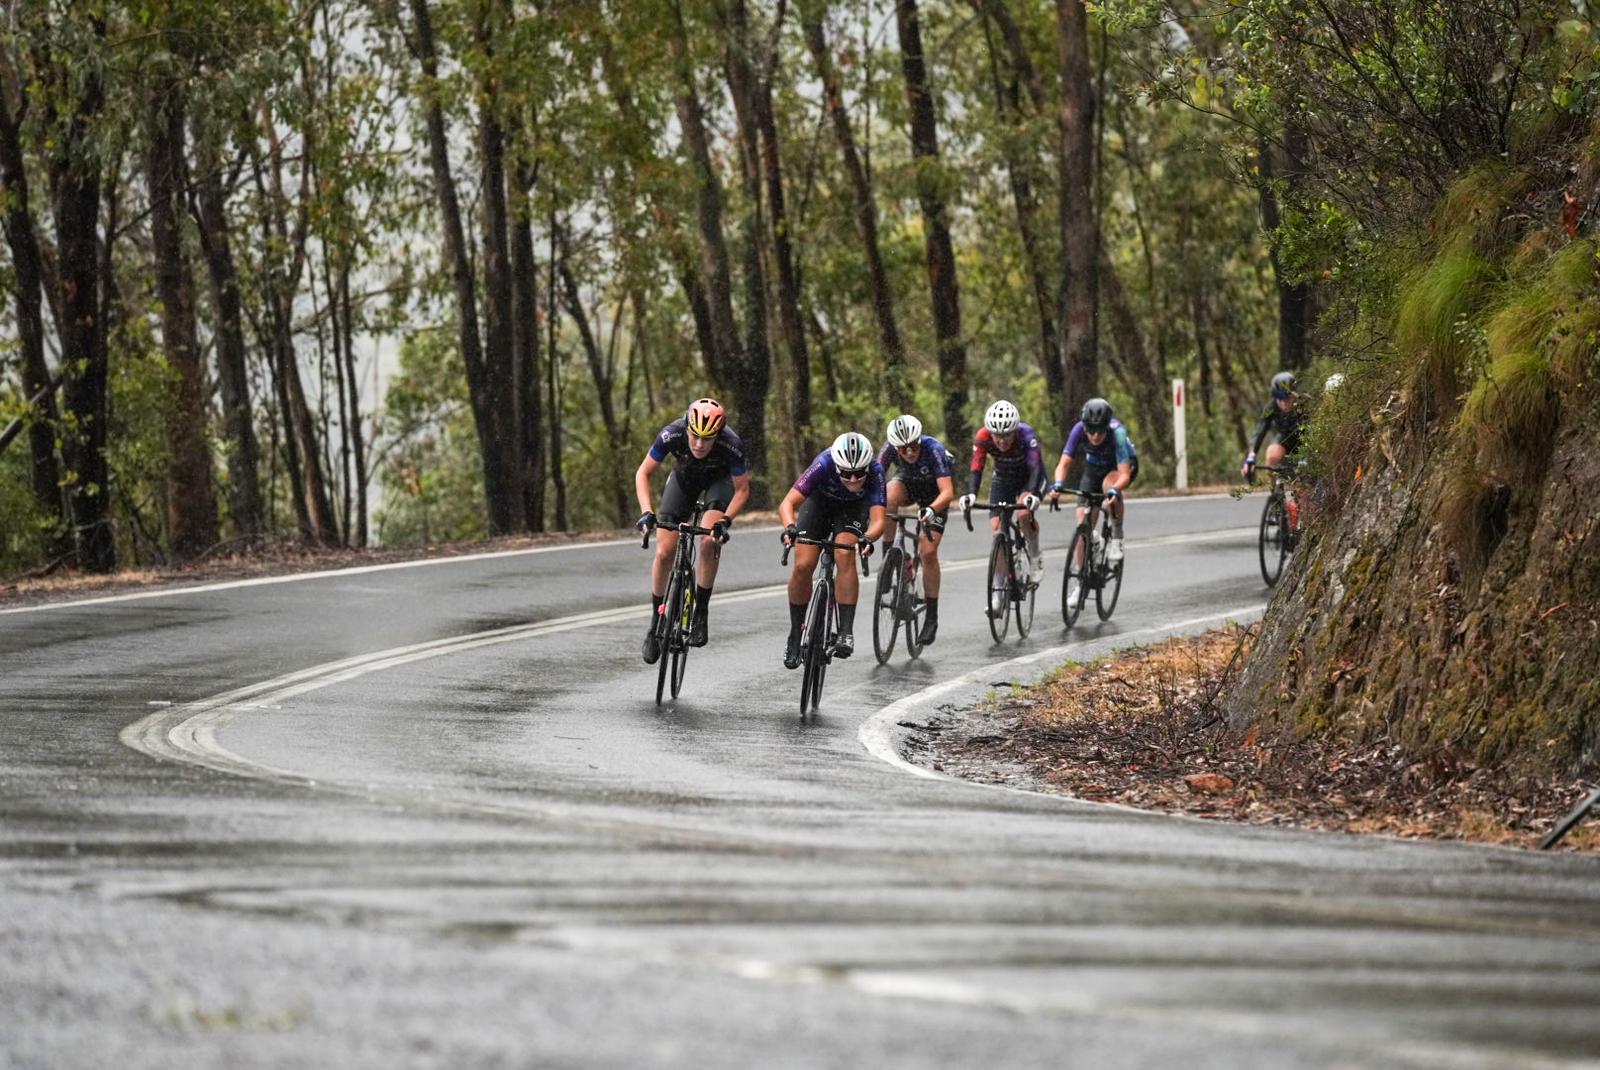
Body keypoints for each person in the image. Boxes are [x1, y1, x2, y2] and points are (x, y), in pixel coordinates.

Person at [634, 397, 750, 663]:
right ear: (686, 429)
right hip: (684, 480)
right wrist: (646, 512)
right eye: (694, 437)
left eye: (707, 439)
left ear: (718, 435)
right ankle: (655, 624)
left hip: (718, 485)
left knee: (709, 541)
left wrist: (726, 520)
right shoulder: (671, 433)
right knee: (665, 552)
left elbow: (743, 489)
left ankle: (701, 612)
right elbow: (643, 473)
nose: (699, 444)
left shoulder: (731, 444)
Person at [777, 431, 887, 669]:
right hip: (819, 505)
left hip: (853, 510)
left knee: (844, 553)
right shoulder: (823, 463)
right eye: (847, 473)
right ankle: (796, 633)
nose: (854, 479)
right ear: (837, 466)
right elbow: (788, 503)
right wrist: (790, 527)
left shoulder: (876, 471)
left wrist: (868, 538)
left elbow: (879, 520)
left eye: (860, 473)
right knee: (804, 565)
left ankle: (845, 631)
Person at [877, 414, 956, 645]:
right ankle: (889, 559)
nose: (910, 452)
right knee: (887, 495)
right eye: (903, 449)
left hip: (935, 494)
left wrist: (931, 510)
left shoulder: (934, 449)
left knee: (928, 552)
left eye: (913, 446)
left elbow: (947, 493)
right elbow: (875, 480)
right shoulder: (889, 449)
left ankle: (931, 617)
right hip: (908, 484)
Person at [958, 400, 1047, 587]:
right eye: (997, 435)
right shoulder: (983, 437)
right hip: (1003, 477)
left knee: (1023, 514)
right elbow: (976, 466)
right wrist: (972, 494)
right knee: (997, 530)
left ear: (1015, 430)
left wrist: (1033, 496)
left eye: (1007, 435)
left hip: (1028, 477)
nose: (1002, 440)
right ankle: (998, 586)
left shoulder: (1026, 434)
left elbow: (1036, 467)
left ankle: (1035, 553)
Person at [1049, 397, 1138, 563]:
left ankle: (1117, 536)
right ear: (1085, 427)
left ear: (1107, 427)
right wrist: (1059, 484)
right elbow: (1064, 463)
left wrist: (1115, 490)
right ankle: (1079, 579)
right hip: (1094, 467)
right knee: (1082, 523)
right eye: (1091, 431)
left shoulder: (1117, 433)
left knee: (1108, 486)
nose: (1095, 436)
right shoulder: (1078, 430)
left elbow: (1124, 475)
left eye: (1100, 431)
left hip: (1120, 466)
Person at [1241, 371, 1305, 481]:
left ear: (1294, 394)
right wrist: (1251, 456)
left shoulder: (1305, 405)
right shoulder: (1271, 408)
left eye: (1287, 397)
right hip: (1284, 442)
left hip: (1305, 445)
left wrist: (1308, 457)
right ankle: (1276, 490)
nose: (1283, 402)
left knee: (1304, 493)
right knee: (1272, 453)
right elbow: (1260, 430)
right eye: (1279, 397)